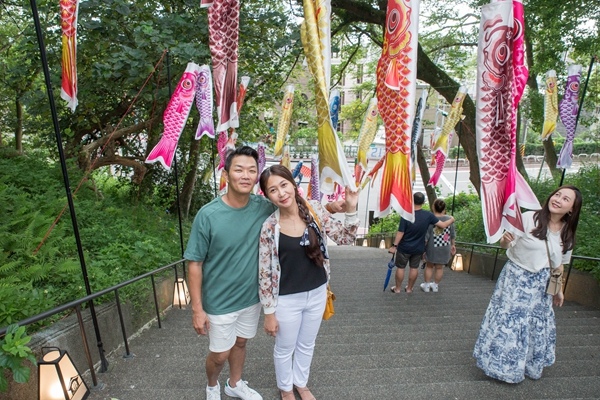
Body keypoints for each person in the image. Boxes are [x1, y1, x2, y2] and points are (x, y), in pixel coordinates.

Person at [185, 147, 344, 400]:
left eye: (251, 170)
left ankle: (234, 384)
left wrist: (333, 207)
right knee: (220, 354)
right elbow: (194, 262)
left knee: (241, 343)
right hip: (219, 300)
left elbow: (297, 208)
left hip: (251, 298)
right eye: (239, 170)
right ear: (226, 174)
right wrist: (197, 308)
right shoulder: (208, 214)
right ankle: (212, 386)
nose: (245, 175)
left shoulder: (263, 206)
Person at [258, 165, 359, 400]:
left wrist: (351, 207)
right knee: (285, 348)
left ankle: (300, 384)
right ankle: (285, 388)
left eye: (284, 185)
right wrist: (269, 312)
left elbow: (345, 237)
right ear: (268, 196)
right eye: (273, 190)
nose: (281, 193)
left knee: (307, 344)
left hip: (317, 292)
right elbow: (265, 273)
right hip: (286, 299)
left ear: (294, 185)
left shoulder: (314, 212)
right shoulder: (269, 228)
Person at [473, 185, 582, 383]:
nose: (558, 199)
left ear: (572, 209)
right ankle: (503, 368)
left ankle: (528, 365)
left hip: (541, 285)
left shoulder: (567, 234)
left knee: (534, 325)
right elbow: (507, 244)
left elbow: (559, 266)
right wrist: (504, 241)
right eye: (557, 194)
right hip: (516, 279)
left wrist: (559, 290)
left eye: (566, 199)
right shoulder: (528, 217)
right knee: (511, 322)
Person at [388, 192, 455, 293]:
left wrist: (394, 246)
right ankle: (409, 289)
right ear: (423, 202)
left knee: (401, 267)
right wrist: (452, 219)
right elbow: (443, 225)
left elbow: (400, 232)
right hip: (418, 248)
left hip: (404, 247)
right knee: (414, 268)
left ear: (412, 201)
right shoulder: (428, 215)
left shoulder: (406, 215)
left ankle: (397, 289)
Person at [421, 198, 456, 293]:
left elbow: (426, 236)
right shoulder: (450, 219)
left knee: (429, 266)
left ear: (433, 207)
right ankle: (435, 285)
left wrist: (423, 249)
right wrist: (453, 245)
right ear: (444, 208)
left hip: (432, 247)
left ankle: (427, 285)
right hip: (445, 246)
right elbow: (452, 234)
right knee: (440, 267)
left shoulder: (430, 218)